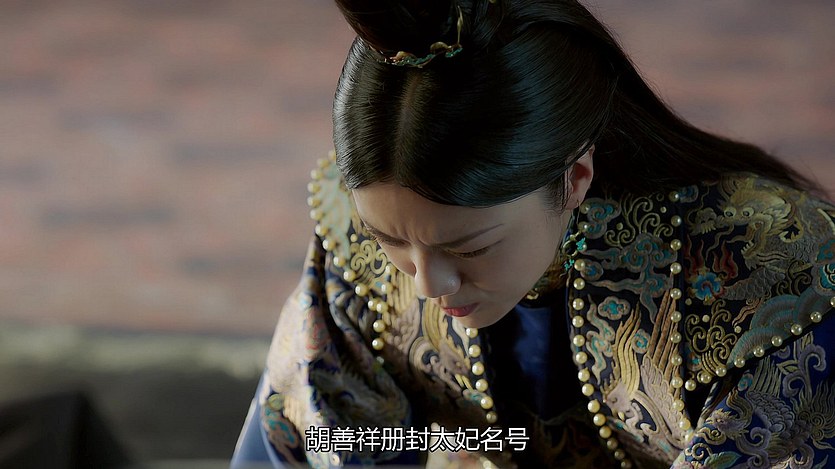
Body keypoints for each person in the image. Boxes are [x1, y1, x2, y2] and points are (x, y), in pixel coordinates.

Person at [232, 0, 835, 467]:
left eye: (469, 247)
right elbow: (322, 432)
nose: (427, 285)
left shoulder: (769, 277)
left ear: (574, 179)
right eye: (391, 242)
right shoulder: (354, 246)